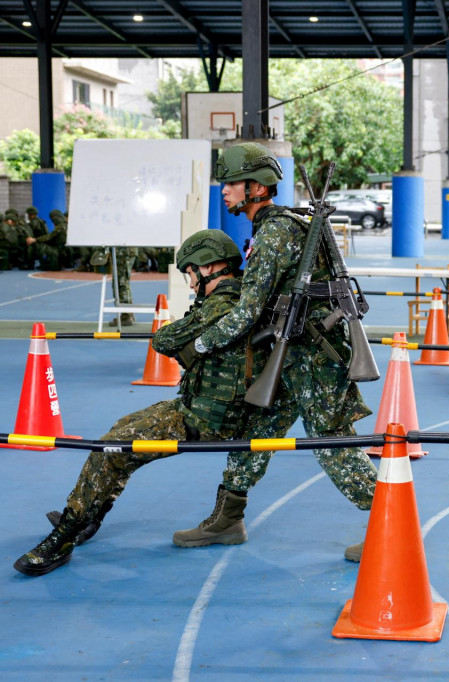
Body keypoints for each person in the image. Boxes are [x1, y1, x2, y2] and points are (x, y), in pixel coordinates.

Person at [14, 230, 262, 576]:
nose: (189, 282)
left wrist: (183, 332)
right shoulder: (245, 298)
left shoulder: (222, 305)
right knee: (120, 437)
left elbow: (163, 339)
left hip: (206, 418)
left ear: (207, 268)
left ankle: (65, 535)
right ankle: (90, 516)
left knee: (113, 447)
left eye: (190, 272)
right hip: (205, 408)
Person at [180, 141, 378, 561]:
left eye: (231, 183)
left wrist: (199, 345)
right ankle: (227, 519)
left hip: (313, 358)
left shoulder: (275, 231)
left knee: (331, 443)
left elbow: (249, 310)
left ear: (256, 186)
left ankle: (392, 527)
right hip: (290, 353)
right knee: (256, 433)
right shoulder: (283, 226)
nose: (225, 191)